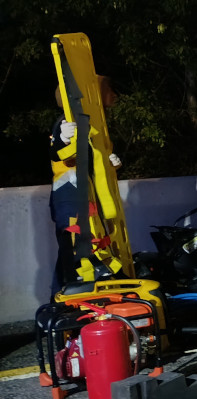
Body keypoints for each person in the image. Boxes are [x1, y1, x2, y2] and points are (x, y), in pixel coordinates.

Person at [49, 86, 122, 295]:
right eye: (108, 89)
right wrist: (62, 138)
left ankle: (78, 293)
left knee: (89, 245)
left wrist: (110, 163)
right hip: (69, 196)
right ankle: (65, 297)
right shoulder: (68, 121)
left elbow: (89, 159)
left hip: (85, 196)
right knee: (72, 248)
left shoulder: (92, 125)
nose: (114, 94)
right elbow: (57, 154)